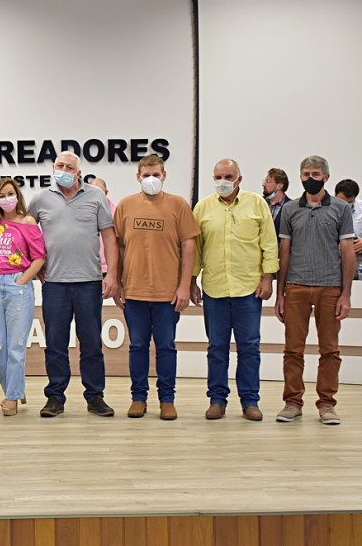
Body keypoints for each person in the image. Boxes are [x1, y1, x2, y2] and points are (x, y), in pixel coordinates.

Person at [27, 151, 118, 418]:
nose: (63, 170)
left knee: (91, 342)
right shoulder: (41, 199)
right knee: (55, 343)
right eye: (59, 165)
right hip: (54, 283)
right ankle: (55, 396)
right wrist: (36, 264)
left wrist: (111, 274)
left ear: (78, 173)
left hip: (89, 282)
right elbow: (26, 231)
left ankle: (95, 396)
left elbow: (110, 237)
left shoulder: (95, 196)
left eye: (69, 167)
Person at [190, 159, 279, 421]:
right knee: (217, 347)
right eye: (217, 176)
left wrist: (268, 278)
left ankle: (250, 401)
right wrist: (192, 280)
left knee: (249, 347)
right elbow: (196, 247)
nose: (222, 181)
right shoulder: (203, 207)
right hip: (214, 289)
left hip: (248, 289)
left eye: (228, 176)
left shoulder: (257, 204)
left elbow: (269, 244)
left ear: (239, 179)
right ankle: (217, 400)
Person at [112, 154, 199, 420]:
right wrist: (118, 283)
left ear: (164, 176)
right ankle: (139, 397)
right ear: (138, 177)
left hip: (168, 293)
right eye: (146, 175)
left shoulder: (178, 205)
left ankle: (167, 399)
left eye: (156, 174)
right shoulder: (125, 206)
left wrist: (185, 286)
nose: (151, 179)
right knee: (137, 346)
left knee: (166, 347)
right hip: (134, 292)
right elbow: (118, 246)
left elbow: (189, 245)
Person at [275, 155, 355, 425]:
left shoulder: (341, 209)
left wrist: (346, 293)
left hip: (330, 288)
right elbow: (284, 252)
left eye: (316, 174)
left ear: (326, 178)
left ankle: (327, 404)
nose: (311, 178)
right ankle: (292, 402)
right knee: (292, 350)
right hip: (296, 287)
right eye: (306, 173)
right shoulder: (289, 210)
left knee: (330, 350)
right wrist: (280, 293)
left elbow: (347, 251)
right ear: (300, 177)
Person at [0, 177, 46, 416]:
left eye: (10, 193)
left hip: (17, 285)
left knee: (16, 347)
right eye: (1, 195)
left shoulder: (28, 221)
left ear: (17, 195)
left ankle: (11, 397)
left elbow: (39, 256)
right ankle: (16, 388)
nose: (6, 199)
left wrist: (21, 280)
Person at [92, 178, 117, 279]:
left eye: (100, 192)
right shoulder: (80, 211)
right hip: (89, 268)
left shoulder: (116, 212)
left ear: (106, 192)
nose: (97, 195)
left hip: (108, 268)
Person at [263, 168, 290, 239]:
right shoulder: (258, 203)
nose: (263, 184)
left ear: (279, 186)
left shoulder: (291, 207)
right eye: (264, 181)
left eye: (268, 181)